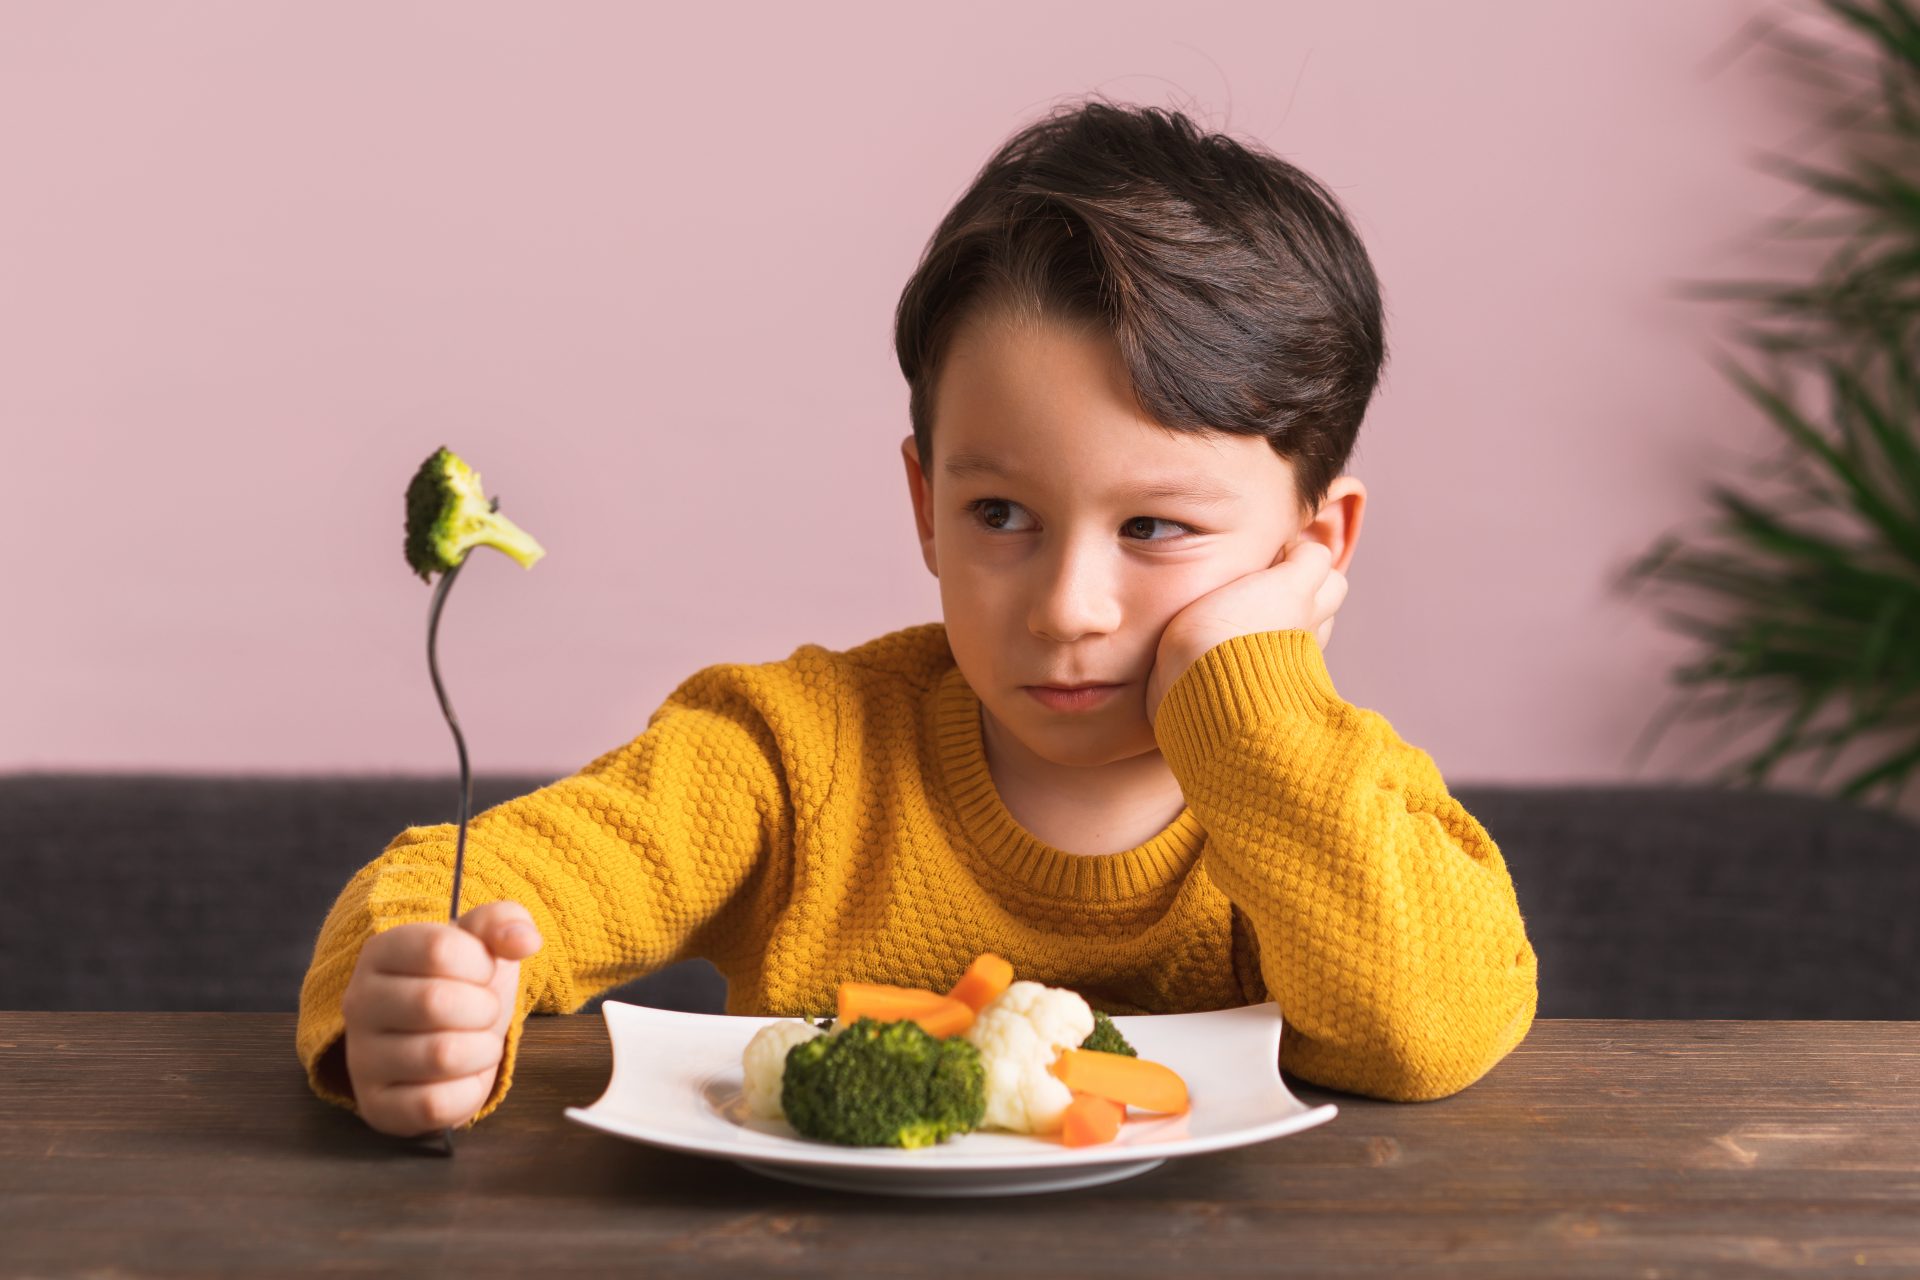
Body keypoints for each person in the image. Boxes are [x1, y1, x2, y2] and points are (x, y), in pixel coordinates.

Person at [299, 96, 1538, 1139]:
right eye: (1002, 512)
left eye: (1155, 529)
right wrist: (417, 993)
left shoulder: (1329, 794)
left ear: (1310, 547)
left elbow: (1426, 1031)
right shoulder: (792, 753)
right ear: (924, 501)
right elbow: (475, 878)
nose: (1066, 608)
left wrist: (1247, 695)